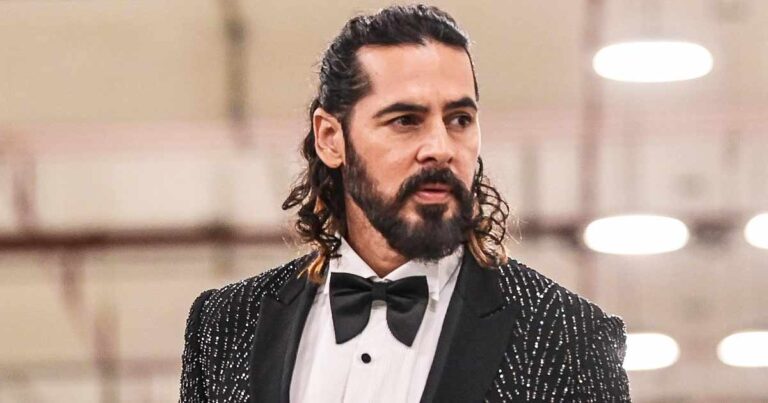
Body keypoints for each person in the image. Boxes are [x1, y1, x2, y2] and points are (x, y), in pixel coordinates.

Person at [179, 4, 631, 402]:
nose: (441, 148)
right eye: (406, 120)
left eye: (459, 119)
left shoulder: (568, 337)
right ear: (330, 138)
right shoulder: (224, 326)